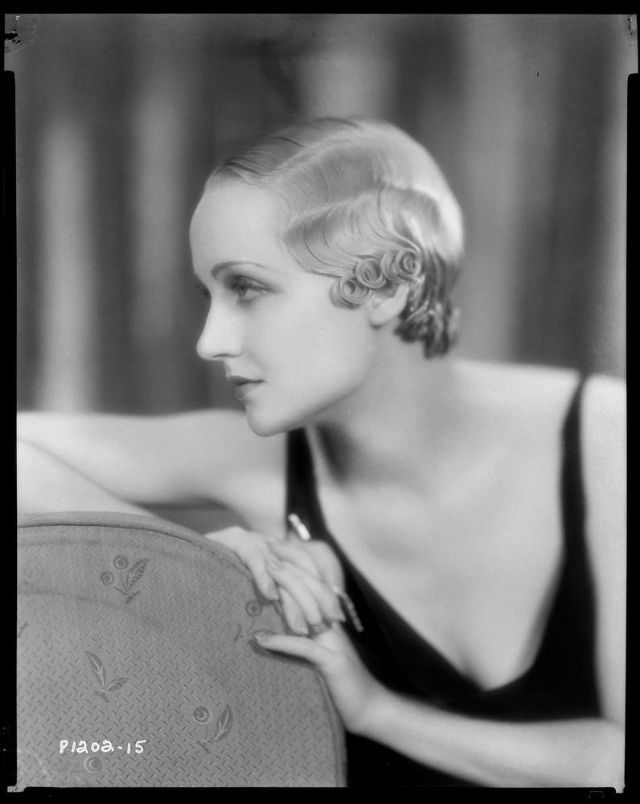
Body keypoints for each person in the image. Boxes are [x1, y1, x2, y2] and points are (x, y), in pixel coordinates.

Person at [17, 117, 625, 788]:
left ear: (388, 285)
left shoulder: (604, 437)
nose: (210, 341)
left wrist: (380, 713)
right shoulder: (254, 464)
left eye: (246, 288)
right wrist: (189, 560)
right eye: (208, 295)